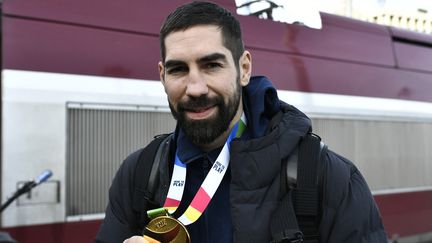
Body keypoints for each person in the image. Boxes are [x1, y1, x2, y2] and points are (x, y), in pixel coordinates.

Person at [95, 1, 387, 243]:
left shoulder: (328, 178)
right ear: (162, 76)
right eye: (178, 69)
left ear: (244, 69)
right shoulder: (140, 173)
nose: (195, 87)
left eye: (212, 65)